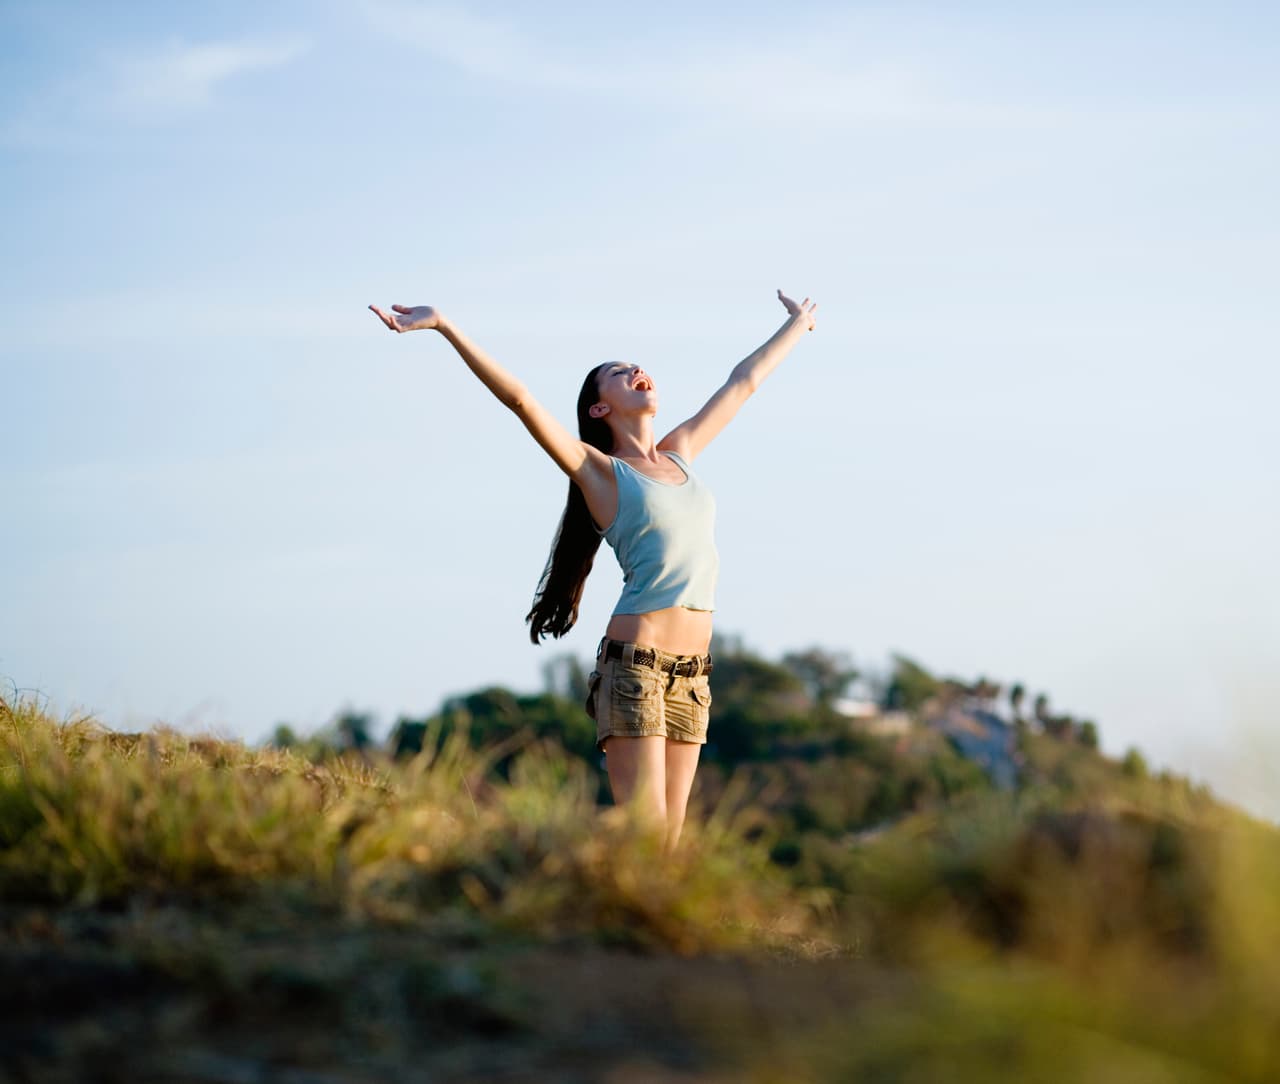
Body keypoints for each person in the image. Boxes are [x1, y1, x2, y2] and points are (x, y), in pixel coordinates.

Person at [369, 290, 818, 847]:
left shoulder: (680, 452)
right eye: (617, 371)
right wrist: (443, 326)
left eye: (637, 366)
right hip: (637, 668)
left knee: (670, 844)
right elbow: (520, 399)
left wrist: (797, 326)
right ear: (598, 409)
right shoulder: (600, 473)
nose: (636, 369)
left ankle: (644, 930)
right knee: (646, 835)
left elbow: (742, 383)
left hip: (692, 672)